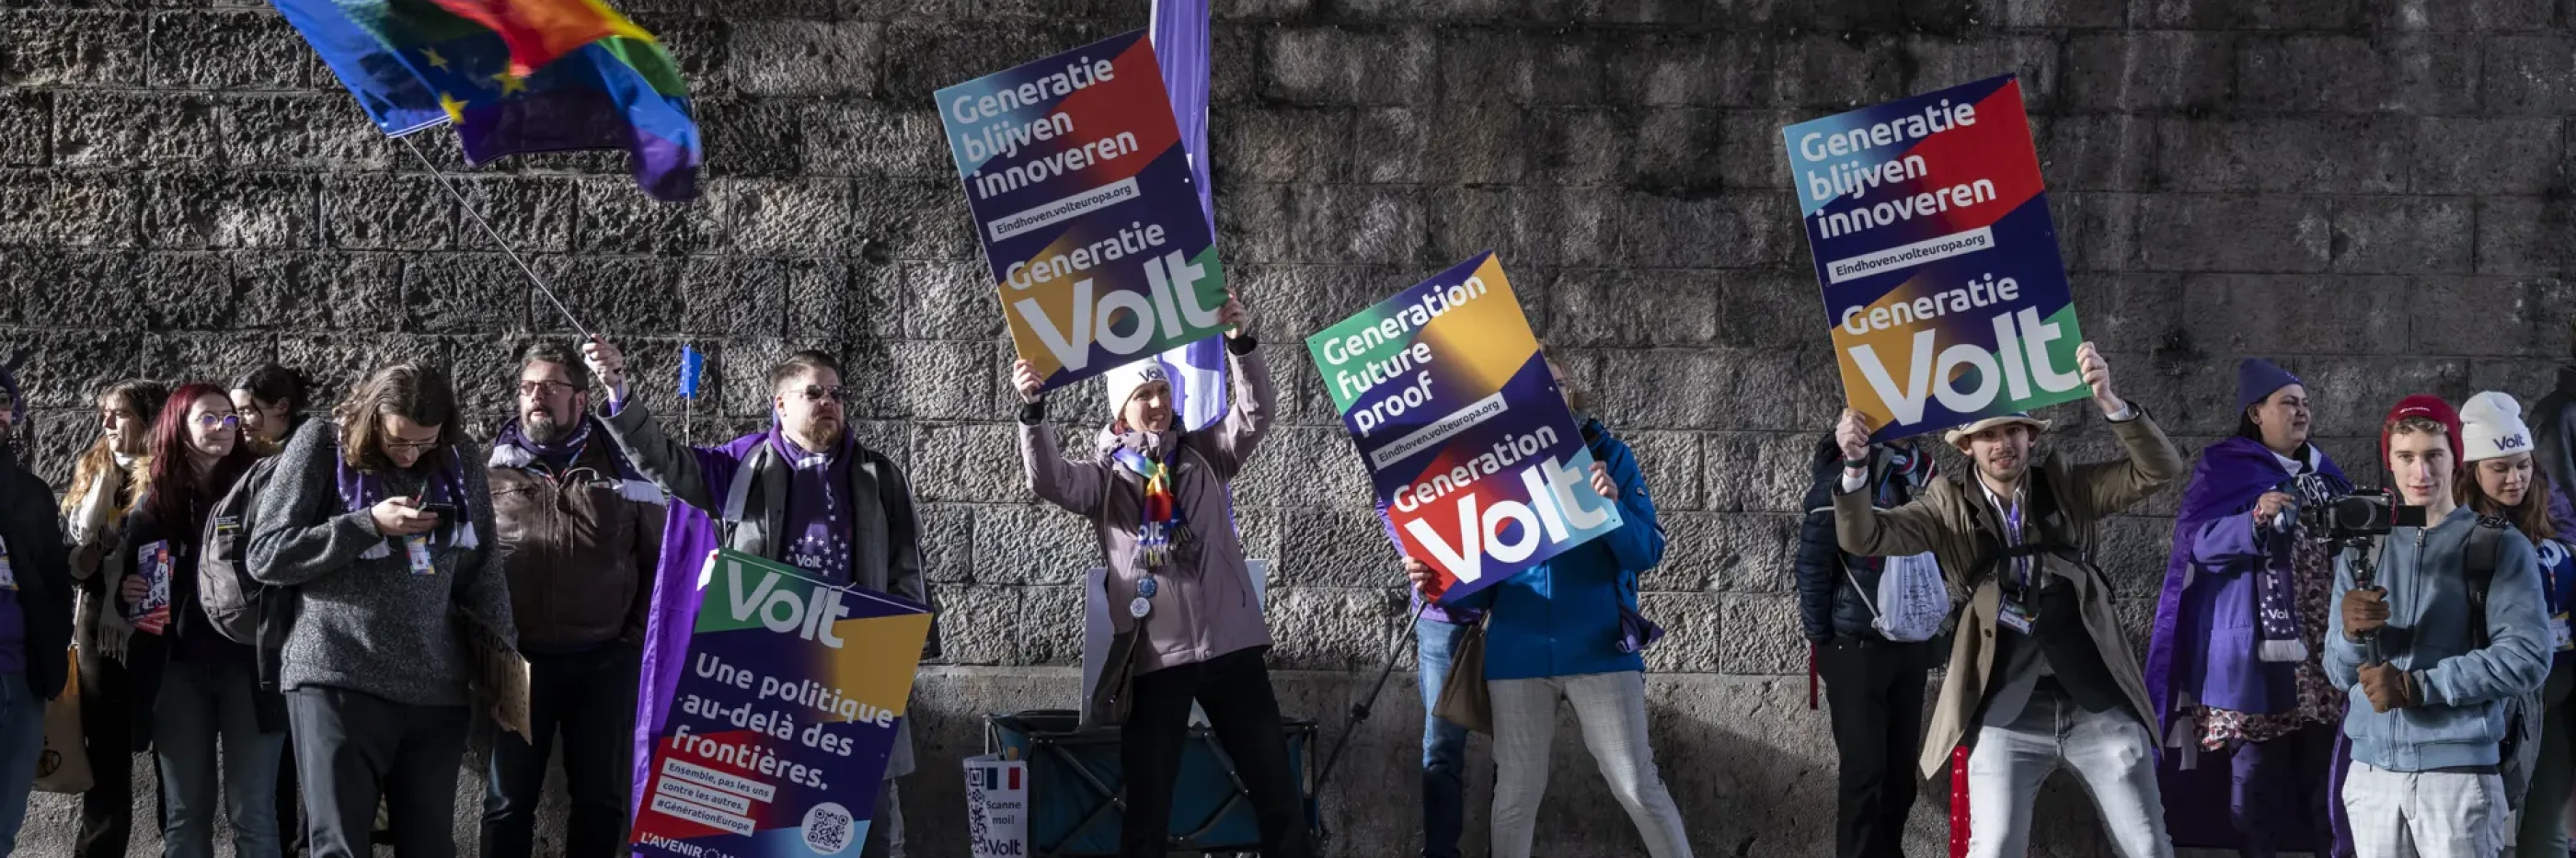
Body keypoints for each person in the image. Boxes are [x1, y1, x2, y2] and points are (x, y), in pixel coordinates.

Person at [1831, 343, 2185, 858]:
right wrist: (1857, 466)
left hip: (2095, 702)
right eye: (1989, 434)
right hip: (2005, 708)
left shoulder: (2066, 487)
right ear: (1967, 446)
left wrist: (2109, 399)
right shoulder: (1945, 505)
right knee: (1993, 846)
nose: (2003, 444)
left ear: (2031, 438)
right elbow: (1863, 538)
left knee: (2150, 845)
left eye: (2014, 431)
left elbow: (2158, 470)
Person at [587, 338, 934, 858]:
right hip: (767, 681)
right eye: (813, 392)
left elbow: (908, 570)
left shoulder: (879, 475)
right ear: (781, 404)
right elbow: (662, 460)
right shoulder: (741, 467)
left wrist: (898, 647)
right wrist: (618, 388)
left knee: (873, 829)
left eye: (836, 394)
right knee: (766, 832)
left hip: (856, 678)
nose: (828, 403)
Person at [1012, 292, 1317, 858]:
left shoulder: (1203, 453)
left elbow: (1255, 416)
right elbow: (1049, 479)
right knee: (1147, 811)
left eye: (1161, 391)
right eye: (1142, 395)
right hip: (1155, 660)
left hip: (1232, 650)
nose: (1155, 403)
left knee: (1278, 796)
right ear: (1119, 410)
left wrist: (1240, 345)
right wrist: (1034, 412)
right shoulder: (1105, 481)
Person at [1401, 358, 1691, 858]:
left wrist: (1612, 507)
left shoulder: (1609, 454)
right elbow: (1473, 593)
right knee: (1515, 796)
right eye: (1538, 387)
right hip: (1518, 656)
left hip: (1600, 649)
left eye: (1559, 385)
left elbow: (1647, 553)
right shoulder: (1489, 473)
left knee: (1637, 786)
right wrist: (1434, 580)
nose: (1552, 395)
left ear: (1572, 393)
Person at [245, 362, 514, 858]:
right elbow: (267, 555)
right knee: (340, 847)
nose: (411, 454)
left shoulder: (460, 459)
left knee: (431, 846)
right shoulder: (321, 445)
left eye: (424, 442)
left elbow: (483, 573)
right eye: (398, 442)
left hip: (435, 688)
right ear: (372, 419)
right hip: (337, 675)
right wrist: (367, 523)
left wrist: (504, 673)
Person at [2326, 395, 2551, 858]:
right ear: (2390, 461)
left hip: (2458, 776)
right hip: (2372, 776)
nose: (2420, 473)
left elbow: (2528, 658)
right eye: (2406, 457)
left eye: (2434, 456)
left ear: (2457, 459)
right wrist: (2350, 637)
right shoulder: (2362, 548)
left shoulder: (2498, 546)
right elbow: (2336, 672)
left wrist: (2417, 686)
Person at [2143, 359, 2347, 857]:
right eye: (2288, 403)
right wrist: (2253, 522)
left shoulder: (2325, 473)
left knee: (2326, 781)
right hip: (2252, 657)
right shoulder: (2227, 467)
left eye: (2305, 404)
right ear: (2256, 413)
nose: (2302, 413)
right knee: (2257, 781)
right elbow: (2198, 542)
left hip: (2319, 658)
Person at [480, 342, 663, 858]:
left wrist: (629, 645)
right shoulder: (487, 472)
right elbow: (469, 572)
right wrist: (489, 659)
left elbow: (657, 562)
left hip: (604, 662)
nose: (537, 396)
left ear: (581, 400)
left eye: (551, 387)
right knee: (507, 803)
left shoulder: (625, 470)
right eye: (528, 387)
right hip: (518, 663)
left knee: (601, 801)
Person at [112, 384, 286, 858]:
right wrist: (128, 593)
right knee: (186, 814)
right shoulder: (154, 499)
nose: (223, 428)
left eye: (230, 419)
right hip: (177, 670)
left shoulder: (261, 487)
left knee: (252, 811)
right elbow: (136, 583)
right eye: (208, 419)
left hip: (250, 667)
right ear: (178, 426)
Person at [1798, 422, 1939, 858]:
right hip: (1854, 648)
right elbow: (1813, 563)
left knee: (1899, 778)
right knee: (1864, 777)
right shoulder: (1842, 475)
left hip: (1909, 647)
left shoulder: (1925, 476)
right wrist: (1826, 642)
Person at [2450, 392, 2576, 858]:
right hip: (2498, 704)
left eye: (2522, 465)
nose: (2514, 477)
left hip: (2558, 695)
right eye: (2499, 467)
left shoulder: (2553, 522)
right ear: (2474, 472)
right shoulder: (2461, 536)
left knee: (2547, 829)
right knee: (2475, 829)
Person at [62, 378, 168, 858]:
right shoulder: (96, 472)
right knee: (104, 754)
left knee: (170, 750)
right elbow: (69, 553)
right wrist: (82, 559)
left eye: (119, 414)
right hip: (98, 631)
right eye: (104, 412)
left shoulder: (170, 479)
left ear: (150, 420)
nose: (106, 423)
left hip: (157, 632)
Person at [0, 360, 76, 852]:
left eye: (3, 404)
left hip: (21, 674)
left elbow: (51, 578)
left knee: (5, 817)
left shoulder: (29, 491)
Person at [232, 365, 313, 457]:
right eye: (235, 412)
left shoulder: (306, 452)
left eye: (247, 411)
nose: (239, 421)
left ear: (282, 406)